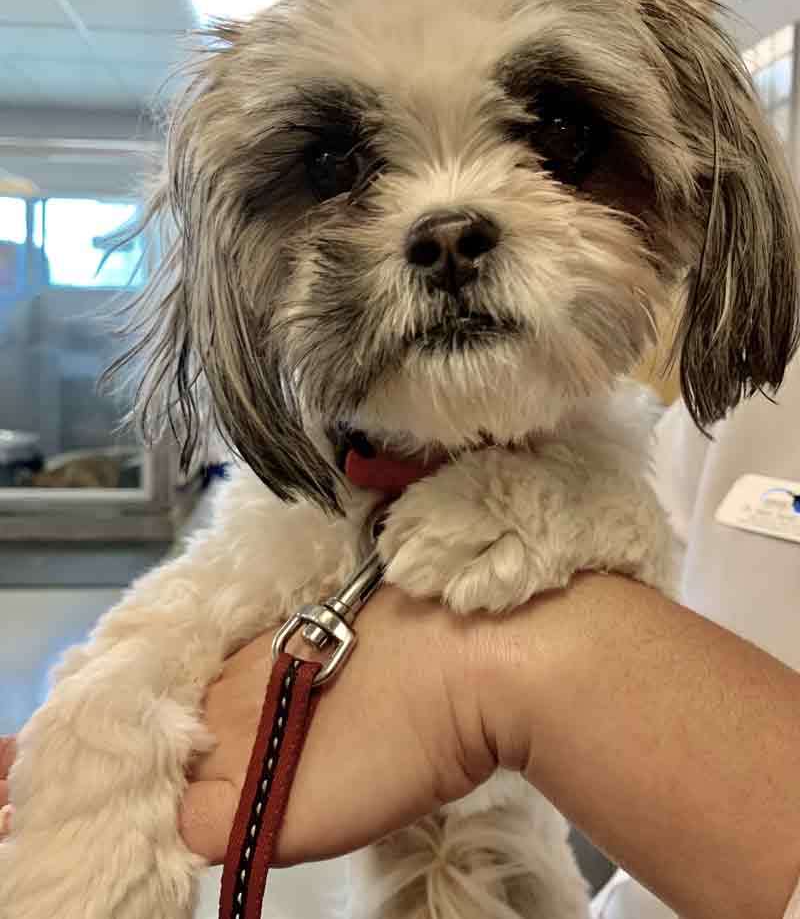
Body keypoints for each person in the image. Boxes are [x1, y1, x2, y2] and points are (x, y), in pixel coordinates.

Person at [2, 363, 800, 919]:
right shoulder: (727, 418)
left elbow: (627, 583)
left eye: (564, 168)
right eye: (335, 183)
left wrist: (497, 674)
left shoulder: (622, 440)